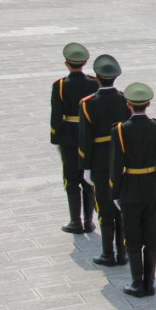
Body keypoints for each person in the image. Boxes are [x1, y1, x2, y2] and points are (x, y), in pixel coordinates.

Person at [111, 83, 156, 298]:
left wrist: (115, 192)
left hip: (130, 189)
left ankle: (137, 283)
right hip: (154, 187)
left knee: (133, 239)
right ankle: (150, 283)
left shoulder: (119, 130)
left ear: (128, 105)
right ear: (148, 104)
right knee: (153, 239)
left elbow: (116, 166)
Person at [77, 54, 131, 266]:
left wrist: (85, 166)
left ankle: (108, 253)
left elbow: (85, 140)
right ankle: (123, 252)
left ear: (97, 78)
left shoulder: (88, 104)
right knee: (122, 209)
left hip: (100, 163)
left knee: (105, 210)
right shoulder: (125, 100)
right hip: (122, 161)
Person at [50, 43, 99, 234]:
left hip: (69, 137)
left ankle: (75, 221)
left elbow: (56, 115)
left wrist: (56, 137)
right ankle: (88, 221)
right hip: (89, 137)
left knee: (71, 180)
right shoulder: (94, 82)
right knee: (88, 179)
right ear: (85, 62)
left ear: (66, 64)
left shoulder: (60, 85)